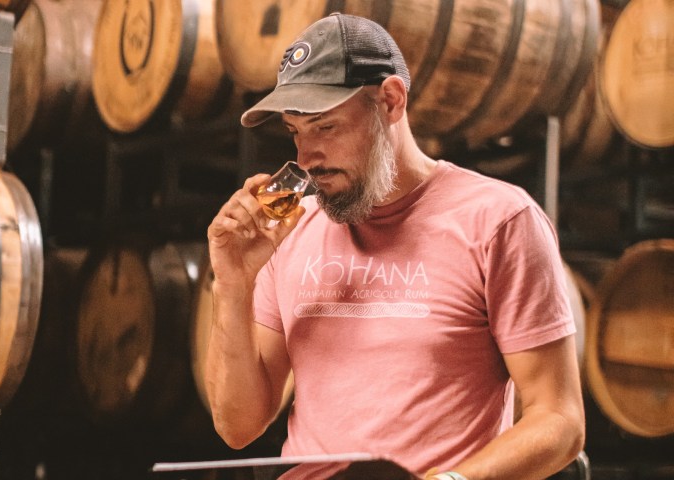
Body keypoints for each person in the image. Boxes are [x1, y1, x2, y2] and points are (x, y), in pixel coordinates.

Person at [205, 12, 585, 480]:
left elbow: (561, 421)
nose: (306, 159)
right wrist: (233, 284)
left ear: (390, 100)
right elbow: (237, 427)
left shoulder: (498, 221)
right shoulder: (290, 233)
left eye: (324, 127)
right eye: (295, 131)